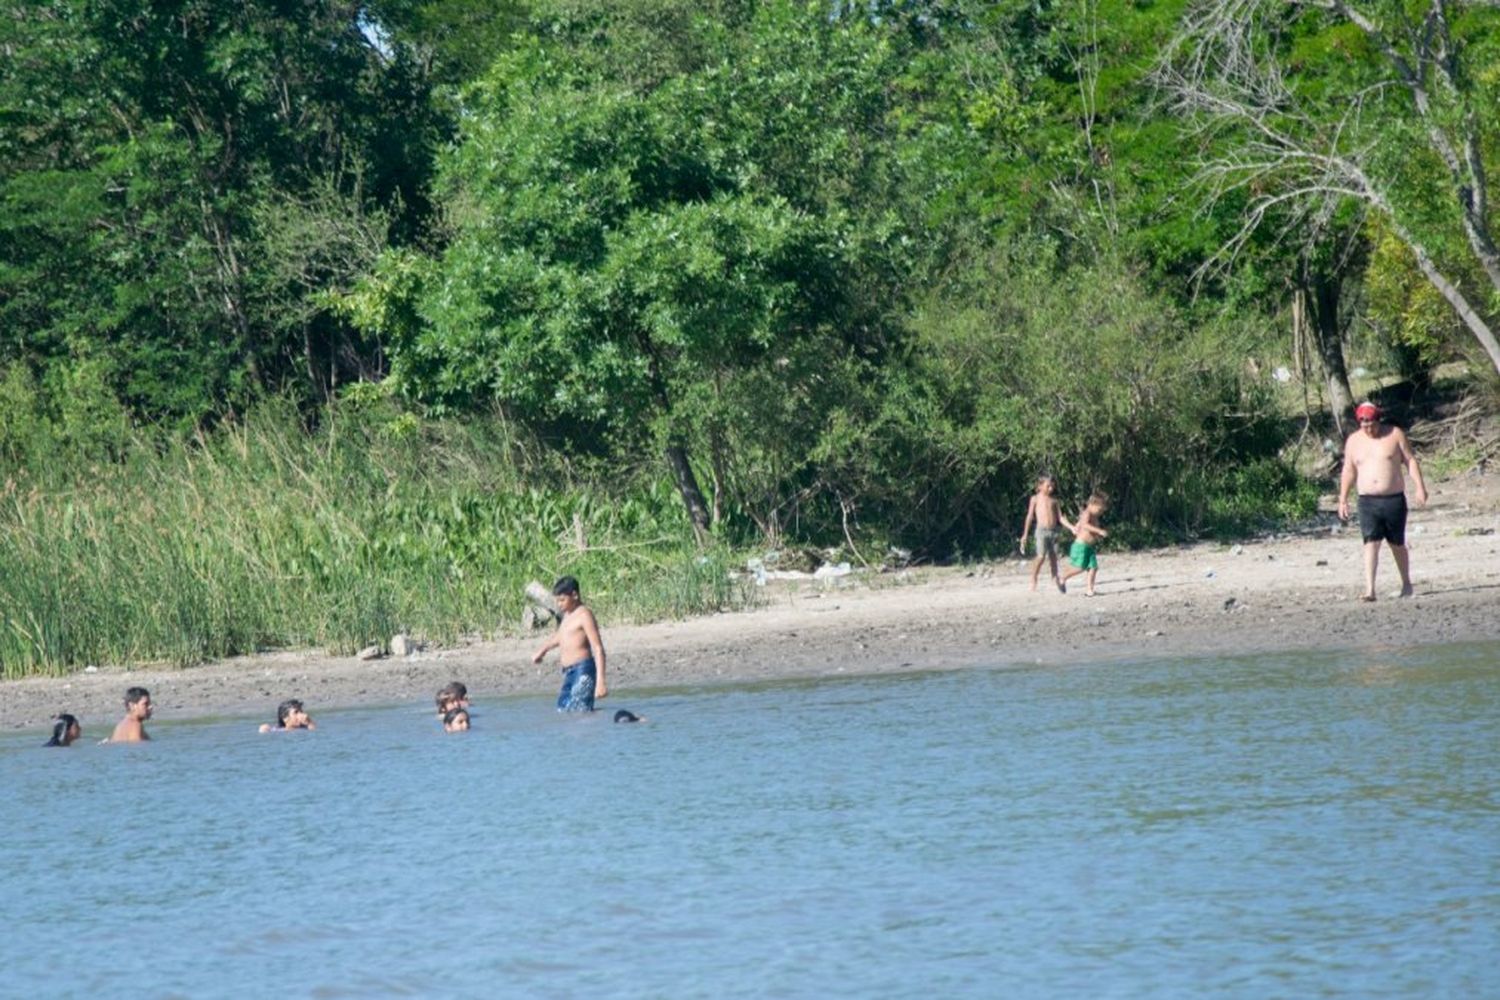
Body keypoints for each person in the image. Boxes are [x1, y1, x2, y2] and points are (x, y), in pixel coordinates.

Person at [1337, 400, 1428, 601]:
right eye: (1364, 424)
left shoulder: (1394, 434)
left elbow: (1410, 461)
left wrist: (1420, 487)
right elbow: (1349, 471)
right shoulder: (1353, 441)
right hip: (1367, 501)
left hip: (1393, 499)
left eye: (1371, 424)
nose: (1368, 428)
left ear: (1378, 420)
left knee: (1397, 543)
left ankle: (1406, 583)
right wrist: (1343, 498)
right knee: (1371, 542)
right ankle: (1370, 589)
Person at [531, 575, 608, 712]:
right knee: (563, 709)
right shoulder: (567, 615)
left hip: (583, 670)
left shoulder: (584, 615)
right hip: (569, 673)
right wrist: (542, 650)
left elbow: (598, 648)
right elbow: (560, 636)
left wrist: (600, 681)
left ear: (574, 595)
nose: (559, 604)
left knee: (580, 711)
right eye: (557, 601)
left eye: (562, 600)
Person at [1020, 474, 1066, 593]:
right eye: (1048, 486)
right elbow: (1030, 517)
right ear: (1040, 486)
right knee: (1040, 556)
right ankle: (1034, 578)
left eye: (1052, 486)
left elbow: (1060, 518)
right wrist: (1025, 534)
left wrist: (1071, 527)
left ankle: (1054, 578)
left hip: (1054, 531)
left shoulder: (1054, 501)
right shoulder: (1035, 499)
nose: (1051, 489)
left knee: (1054, 557)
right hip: (1041, 531)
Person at [1059, 493, 1110, 597]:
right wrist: (1099, 531)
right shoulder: (1086, 513)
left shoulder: (1094, 516)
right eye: (1099, 510)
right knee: (1080, 567)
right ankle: (1062, 578)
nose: (1100, 513)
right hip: (1081, 546)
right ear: (1092, 504)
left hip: (1089, 547)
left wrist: (1098, 535)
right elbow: (1084, 525)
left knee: (1093, 567)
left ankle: (1089, 590)